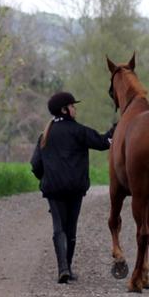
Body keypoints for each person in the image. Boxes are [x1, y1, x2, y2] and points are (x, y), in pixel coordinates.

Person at [30, 91, 115, 283]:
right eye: (73, 106)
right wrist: (116, 129)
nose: (75, 109)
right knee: (71, 228)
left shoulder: (45, 134)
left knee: (58, 227)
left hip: (53, 188)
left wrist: (45, 179)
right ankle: (67, 267)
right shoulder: (79, 131)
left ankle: (63, 269)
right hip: (75, 188)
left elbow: (35, 164)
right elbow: (103, 143)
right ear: (65, 109)